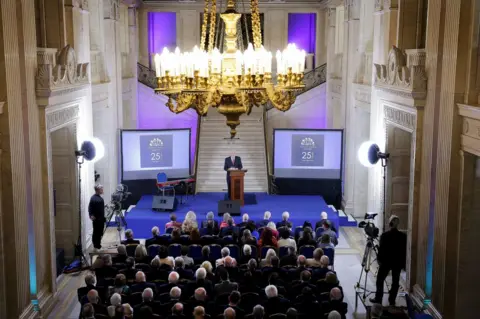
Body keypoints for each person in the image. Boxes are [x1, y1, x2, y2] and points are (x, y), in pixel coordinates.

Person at [370, 215, 407, 306]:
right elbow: (404, 251)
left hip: (386, 262)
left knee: (380, 280)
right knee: (395, 282)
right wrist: (403, 264)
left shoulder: (385, 235)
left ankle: (378, 299)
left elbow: (381, 250)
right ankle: (392, 300)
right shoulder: (403, 236)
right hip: (397, 263)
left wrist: (379, 260)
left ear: (390, 223)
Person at [89, 184, 105, 251]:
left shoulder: (97, 198)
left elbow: (91, 207)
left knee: (99, 232)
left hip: (100, 219)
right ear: (98, 190)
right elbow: (91, 207)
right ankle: (96, 246)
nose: (102, 190)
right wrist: (91, 215)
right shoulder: (95, 198)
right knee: (97, 233)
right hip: (98, 219)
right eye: (101, 189)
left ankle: (98, 245)